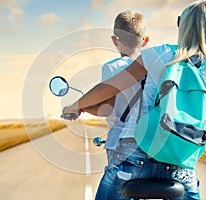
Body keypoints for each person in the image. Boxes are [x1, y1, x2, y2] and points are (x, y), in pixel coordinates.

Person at [63, 1, 206, 199]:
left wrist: (76, 106)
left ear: (182, 26)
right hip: (180, 166)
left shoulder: (159, 53)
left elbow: (111, 86)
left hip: (135, 157)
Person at [81, 10, 149, 199]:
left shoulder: (112, 67)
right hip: (150, 143)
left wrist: (83, 107)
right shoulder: (154, 66)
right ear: (146, 40)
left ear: (114, 39)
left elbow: (108, 108)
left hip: (120, 144)